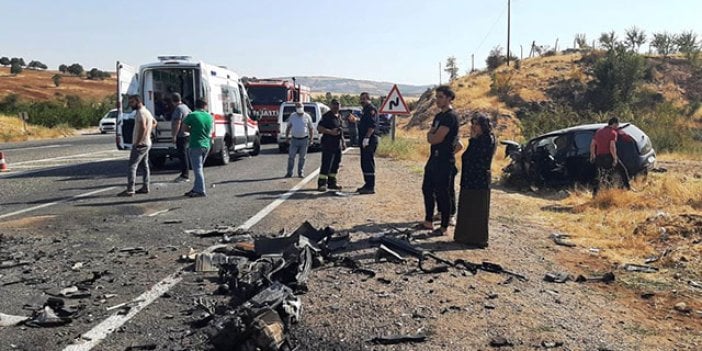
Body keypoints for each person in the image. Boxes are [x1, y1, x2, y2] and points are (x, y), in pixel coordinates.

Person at [419, 86, 459, 236]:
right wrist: (431, 136)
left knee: (443, 192)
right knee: (427, 188)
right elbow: (430, 136)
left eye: (441, 97)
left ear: (449, 98)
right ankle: (428, 221)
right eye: (437, 97)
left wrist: (432, 136)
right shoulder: (438, 117)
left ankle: (443, 227)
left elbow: (436, 138)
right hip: (433, 158)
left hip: (444, 160)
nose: (437, 100)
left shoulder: (451, 117)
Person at [454, 113, 497, 248]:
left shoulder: (486, 139)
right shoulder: (479, 138)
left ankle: (477, 238)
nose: (473, 127)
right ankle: (464, 236)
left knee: (477, 209)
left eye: (476, 124)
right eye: (472, 124)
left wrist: (473, 140)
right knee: (467, 207)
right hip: (470, 178)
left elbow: (475, 156)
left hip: (479, 179)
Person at [118, 95, 157, 197]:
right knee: (144, 166)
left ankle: (130, 189)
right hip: (147, 142)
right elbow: (154, 123)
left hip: (141, 144)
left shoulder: (140, 113)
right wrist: (149, 133)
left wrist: (138, 141)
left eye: (132, 102)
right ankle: (145, 186)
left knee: (132, 166)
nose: (130, 104)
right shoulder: (147, 111)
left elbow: (143, 127)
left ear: (138, 101)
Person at [590, 117, 631, 195]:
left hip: (599, 157)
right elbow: (612, 146)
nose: (618, 126)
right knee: (622, 170)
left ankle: (595, 193)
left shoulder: (599, 131)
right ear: (614, 124)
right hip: (608, 156)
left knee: (599, 175)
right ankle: (627, 187)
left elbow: (592, 144)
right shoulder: (613, 132)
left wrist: (592, 155)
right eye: (617, 124)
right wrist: (615, 158)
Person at [182, 98, 213, 197]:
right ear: (205, 105)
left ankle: (200, 190)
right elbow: (210, 130)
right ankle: (196, 188)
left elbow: (184, 128)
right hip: (206, 144)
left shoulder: (192, 115)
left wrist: (193, 131)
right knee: (199, 168)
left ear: (195, 105)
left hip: (195, 144)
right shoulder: (209, 116)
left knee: (197, 168)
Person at [317, 99, 346, 191]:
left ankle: (332, 183)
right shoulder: (326, 116)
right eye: (334, 105)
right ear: (330, 106)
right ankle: (322, 183)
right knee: (327, 163)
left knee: (335, 164)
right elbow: (319, 128)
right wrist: (330, 132)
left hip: (337, 144)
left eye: (337, 105)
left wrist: (343, 141)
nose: (336, 106)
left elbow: (340, 130)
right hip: (328, 143)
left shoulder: (339, 116)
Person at [285, 102, 314, 178]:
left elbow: (311, 128)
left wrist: (311, 139)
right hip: (294, 139)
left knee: (302, 157)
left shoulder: (307, 116)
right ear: (295, 108)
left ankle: (300, 172)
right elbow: (289, 127)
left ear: (303, 107)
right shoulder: (293, 116)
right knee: (291, 157)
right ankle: (289, 172)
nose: (299, 108)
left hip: (304, 140)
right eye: (297, 107)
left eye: (300, 106)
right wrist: (287, 137)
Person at [357, 92, 378, 194]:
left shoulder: (371, 109)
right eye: (361, 99)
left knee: (368, 162)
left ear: (368, 99)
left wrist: (367, 138)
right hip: (365, 140)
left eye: (364, 99)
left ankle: (370, 186)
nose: (362, 101)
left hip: (369, 140)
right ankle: (367, 184)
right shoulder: (365, 110)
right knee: (364, 163)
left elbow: (372, 125)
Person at [170, 93, 192, 182]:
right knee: (184, 154)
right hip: (187, 134)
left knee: (182, 155)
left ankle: (184, 175)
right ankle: (184, 174)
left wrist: (174, 135)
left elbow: (177, 123)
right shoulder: (186, 107)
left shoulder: (178, 109)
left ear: (172, 101)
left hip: (181, 135)